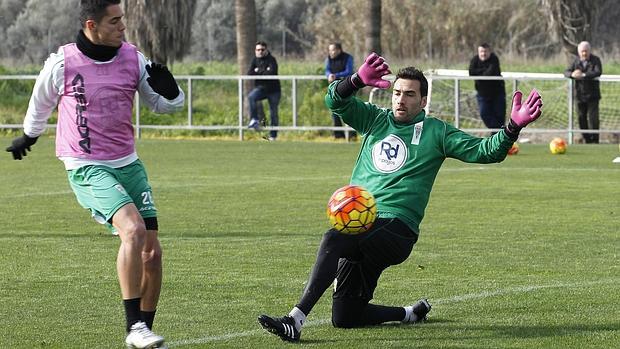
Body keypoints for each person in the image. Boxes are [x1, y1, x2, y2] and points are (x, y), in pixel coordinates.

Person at [258, 53, 542, 342]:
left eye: (409, 94)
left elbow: (487, 151)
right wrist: (355, 80)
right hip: (360, 223)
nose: (400, 100)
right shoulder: (374, 119)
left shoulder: (437, 132)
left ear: (423, 101)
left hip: (396, 229)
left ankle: (295, 319)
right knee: (345, 316)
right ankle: (410, 313)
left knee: (333, 238)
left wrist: (512, 127)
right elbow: (334, 101)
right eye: (396, 93)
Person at [5, 1, 184, 348]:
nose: (123, 27)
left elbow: (164, 106)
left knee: (153, 253)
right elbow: (40, 101)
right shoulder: (63, 62)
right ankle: (134, 327)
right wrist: (29, 134)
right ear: (92, 25)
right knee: (132, 230)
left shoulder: (133, 58)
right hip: (86, 164)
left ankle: (143, 330)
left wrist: (171, 89)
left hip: (128, 162)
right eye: (114, 21)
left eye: (122, 20)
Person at [564, 41, 602, 144]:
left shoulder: (595, 60)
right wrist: (572, 74)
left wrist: (583, 75)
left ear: (589, 51)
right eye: (582, 51)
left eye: (586, 51)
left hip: (592, 95)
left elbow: (598, 72)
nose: (584, 53)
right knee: (581, 118)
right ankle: (587, 140)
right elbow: (566, 72)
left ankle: (595, 140)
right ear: (579, 52)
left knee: (593, 119)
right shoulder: (575, 61)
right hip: (579, 95)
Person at [247, 41, 281, 141]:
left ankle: (273, 135)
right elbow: (249, 73)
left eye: (262, 50)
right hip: (261, 89)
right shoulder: (255, 60)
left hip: (274, 90)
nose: (260, 52)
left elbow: (272, 73)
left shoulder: (272, 60)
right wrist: (262, 71)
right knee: (251, 97)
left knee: (273, 113)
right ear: (255, 51)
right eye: (258, 50)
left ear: (266, 50)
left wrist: (258, 71)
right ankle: (254, 119)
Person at [469, 43, 506, 133]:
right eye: (481, 51)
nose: (483, 54)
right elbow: (471, 72)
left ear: (489, 51)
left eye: (485, 51)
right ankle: (501, 133)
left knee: (499, 116)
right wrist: (482, 72)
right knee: (484, 114)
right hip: (482, 94)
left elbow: (489, 73)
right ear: (478, 52)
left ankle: (498, 137)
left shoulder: (494, 59)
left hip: (497, 93)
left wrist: (479, 73)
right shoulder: (475, 60)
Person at [325, 42, 354, 139]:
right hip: (334, 88)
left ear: (339, 50)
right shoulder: (328, 59)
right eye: (329, 50)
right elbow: (327, 70)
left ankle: (351, 135)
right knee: (334, 110)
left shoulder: (348, 58)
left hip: (347, 87)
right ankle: (338, 134)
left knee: (349, 110)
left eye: (333, 50)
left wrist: (335, 75)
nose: (331, 52)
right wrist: (329, 75)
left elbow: (348, 71)